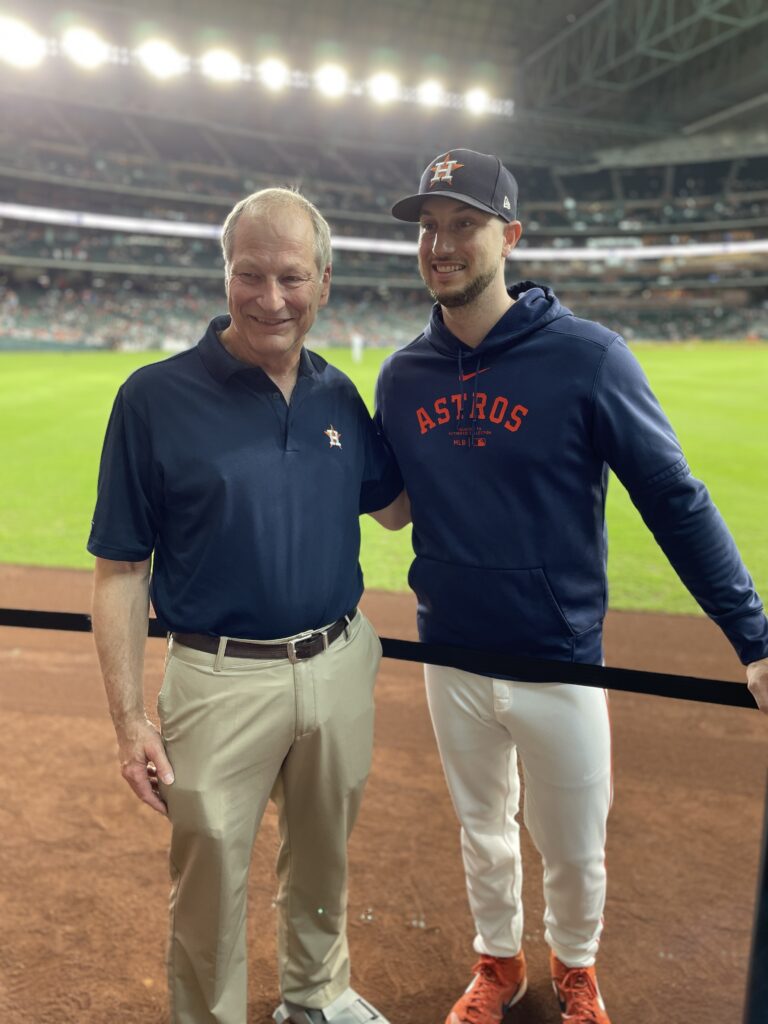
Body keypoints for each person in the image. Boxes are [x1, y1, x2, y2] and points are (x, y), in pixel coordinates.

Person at [373, 148, 768, 1024]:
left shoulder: (588, 359)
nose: (441, 245)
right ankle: (499, 963)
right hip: (452, 650)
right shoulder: (403, 376)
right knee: (481, 829)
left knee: (574, 846)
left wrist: (756, 638)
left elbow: (675, 499)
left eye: (464, 226)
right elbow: (391, 508)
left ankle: (576, 969)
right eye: (430, 228)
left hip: (561, 657)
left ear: (509, 236)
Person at [89, 187, 406, 1024]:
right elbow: (120, 570)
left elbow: (398, 505)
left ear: (326, 282)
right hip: (218, 677)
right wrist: (128, 722)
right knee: (209, 878)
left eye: (292, 277)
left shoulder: (340, 396)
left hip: (339, 663)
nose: (272, 298)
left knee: (323, 858)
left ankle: (316, 994)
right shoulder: (153, 399)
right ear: (225, 275)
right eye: (250, 274)